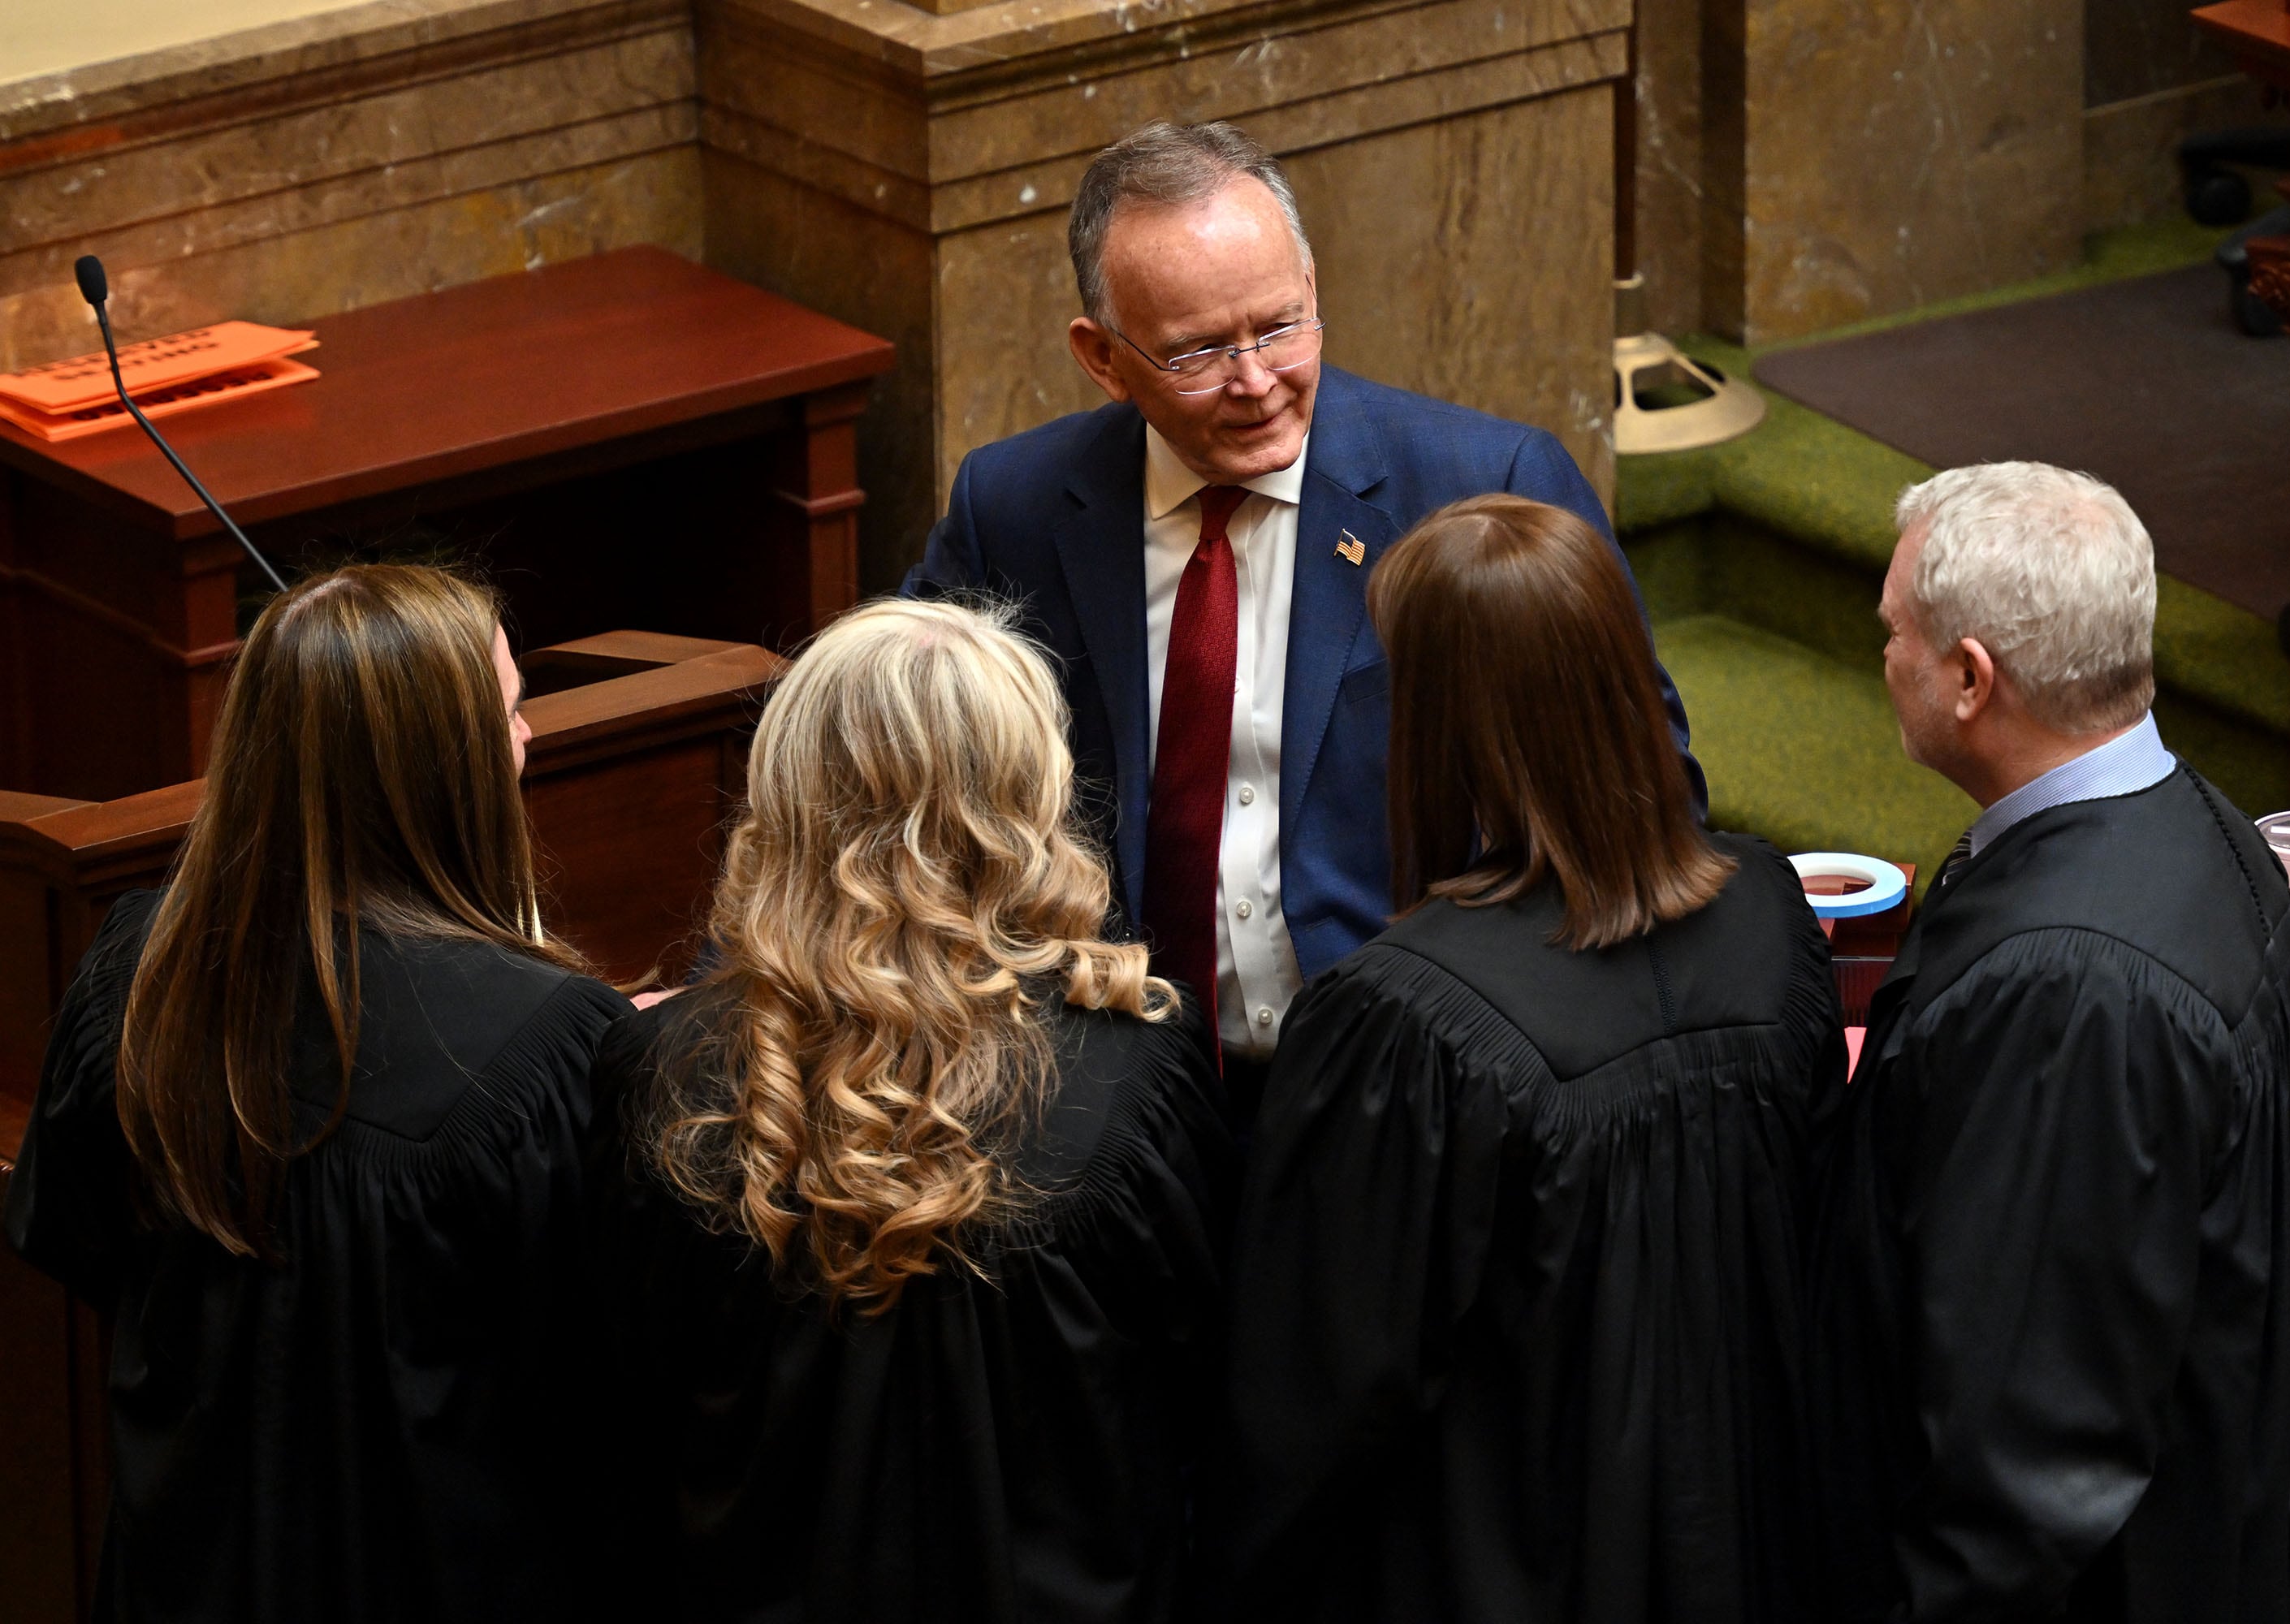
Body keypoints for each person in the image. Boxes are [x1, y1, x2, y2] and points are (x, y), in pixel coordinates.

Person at [905, 119, 1704, 1112]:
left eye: (1280, 325)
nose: (1255, 381)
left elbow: (1642, 793)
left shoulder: (1479, 490)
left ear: (1314, 289)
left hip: (1412, 1095)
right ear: (1103, 358)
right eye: (1198, 350)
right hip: (1114, 1101)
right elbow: (887, 770)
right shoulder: (1014, 508)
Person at [1224, 495, 1839, 1623]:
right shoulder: (1770, 914)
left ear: (1446, 715)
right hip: (1757, 1547)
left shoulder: (1401, 1024)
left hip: (1513, 1566)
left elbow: (1317, 1406)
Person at [581, 598, 1234, 1624]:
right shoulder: (1137, 1065)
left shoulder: (662, 1062)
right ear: (1027, 796)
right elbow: (1201, 1396)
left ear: (787, 793)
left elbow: (622, 1411)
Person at [4, 564, 625, 1622]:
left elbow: (69, 1235)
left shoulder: (135, 969)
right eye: (511, 714)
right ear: (445, 769)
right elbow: (594, 1389)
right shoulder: (553, 1043)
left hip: (188, 1568)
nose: (530, 741)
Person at [1806, 462, 2290, 1622]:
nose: (1884, 654)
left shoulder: (2071, 998)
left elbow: (2025, 1463)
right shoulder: (2204, 827)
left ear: (1969, 677)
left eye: (1896, 630)